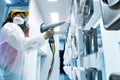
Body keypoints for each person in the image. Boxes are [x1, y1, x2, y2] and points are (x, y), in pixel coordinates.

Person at [0, 9, 54, 80]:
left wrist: (26, 34)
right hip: (9, 73)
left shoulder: (13, 29)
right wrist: (44, 36)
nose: (23, 19)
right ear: (12, 16)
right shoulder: (10, 26)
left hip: (12, 72)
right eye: (21, 16)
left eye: (24, 18)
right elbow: (23, 44)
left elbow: (25, 48)